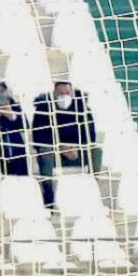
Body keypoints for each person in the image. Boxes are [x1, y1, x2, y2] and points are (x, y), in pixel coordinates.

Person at [32, 81, 100, 209]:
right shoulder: (43, 109)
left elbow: (90, 135)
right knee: (45, 153)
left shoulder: (83, 109)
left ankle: (92, 191)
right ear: (54, 94)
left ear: (73, 94)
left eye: (67, 93)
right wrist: (59, 148)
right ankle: (49, 199)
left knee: (96, 151)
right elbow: (38, 136)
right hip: (54, 155)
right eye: (61, 93)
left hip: (77, 153)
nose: (64, 96)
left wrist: (77, 148)